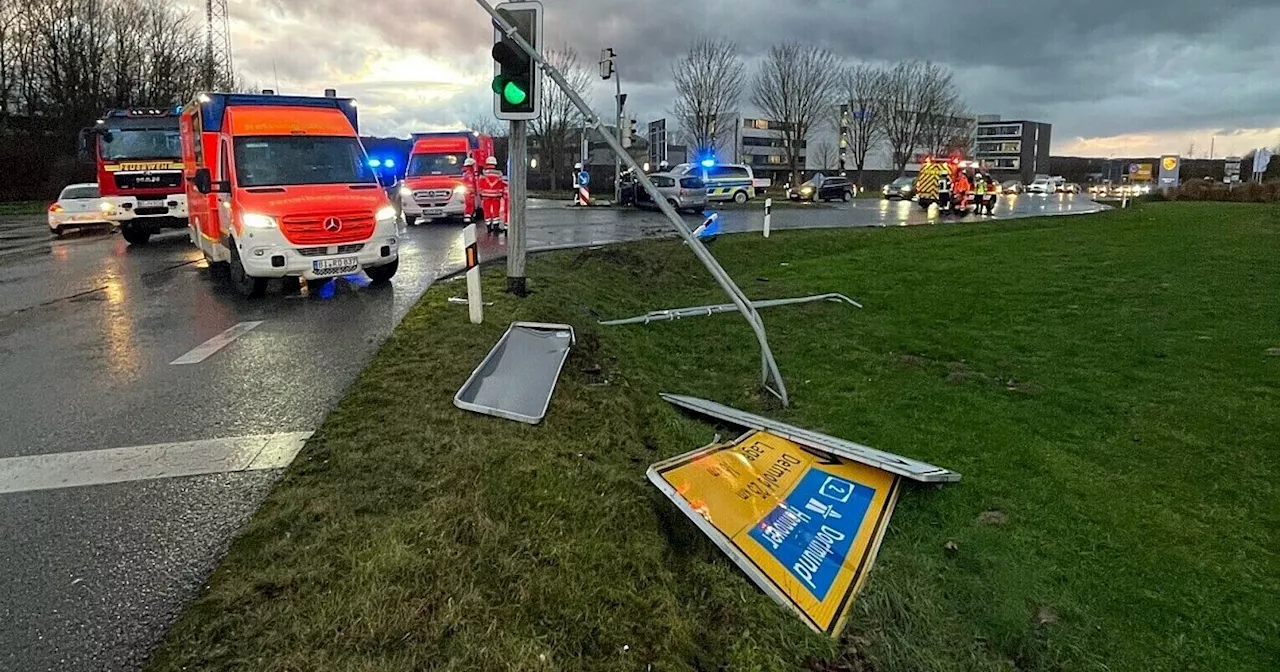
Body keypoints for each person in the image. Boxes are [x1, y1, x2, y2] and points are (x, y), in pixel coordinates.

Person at [477, 156, 508, 233]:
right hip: (496, 196)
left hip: (485, 196)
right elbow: (502, 185)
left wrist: (481, 194)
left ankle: (488, 227)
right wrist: (501, 194)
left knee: (487, 211)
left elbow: (480, 186)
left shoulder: (483, 174)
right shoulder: (499, 174)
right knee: (495, 211)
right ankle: (496, 227)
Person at [460, 157, 478, 223]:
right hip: (469, 193)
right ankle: (468, 218)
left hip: (467, 192)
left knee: (469, 205)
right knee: (470, 205)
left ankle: (468, 217)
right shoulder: (469, 173)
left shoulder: (465, 173)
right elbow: (471, 184)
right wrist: (474, 191)